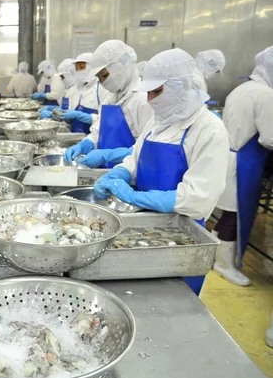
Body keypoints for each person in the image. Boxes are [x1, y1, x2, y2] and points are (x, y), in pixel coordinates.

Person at [93, 48, 229, 295]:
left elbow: (197, 199)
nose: (150, 100)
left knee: (172, 303)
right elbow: (134, 159)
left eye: (157, 91)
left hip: (179, 238)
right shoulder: (158, 121)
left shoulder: (209, 130)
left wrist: (135, 197)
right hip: (143, 225)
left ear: (183, 86)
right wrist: (119, 173)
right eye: (148, 93)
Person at [213, 45, 273, 286]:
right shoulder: (266, 95)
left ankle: (218, 256)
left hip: (229, 156)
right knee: (235, 216)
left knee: (227, 213)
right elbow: (269, 138)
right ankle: (224, 264)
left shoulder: (243, 88)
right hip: (245, 162)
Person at [64, 40, 153, 168]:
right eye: (99, 78)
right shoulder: (111, 97)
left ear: (122, 66)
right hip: (105, 168)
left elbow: (147, 149)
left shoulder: (143, 99)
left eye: (104, 75)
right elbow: (98, 131)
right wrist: (86, 143)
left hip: (127, 172)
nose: (103, 82)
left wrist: (110, 155)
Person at [46, 53, 109, 134]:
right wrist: (60, 114)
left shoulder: (102, 88)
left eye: (82, 67)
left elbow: (105, 121)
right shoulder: (77, 89)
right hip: (75, 136)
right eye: (77, 68)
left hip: (93, 138)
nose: (79, 71)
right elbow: (70, 119)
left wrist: (80, 116)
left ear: (92, 67)